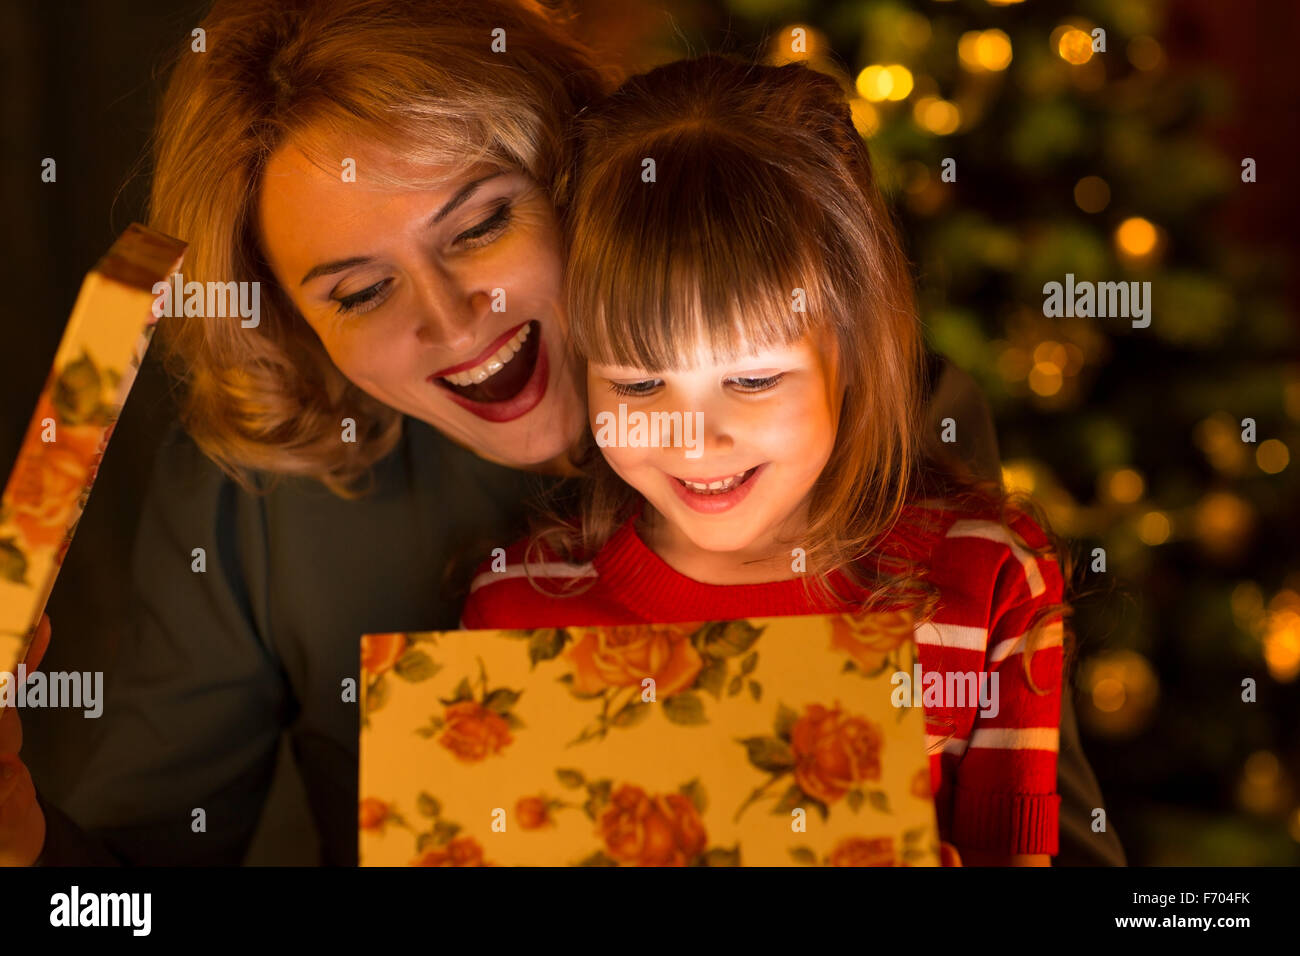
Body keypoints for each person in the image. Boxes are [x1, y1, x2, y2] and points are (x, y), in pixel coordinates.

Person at [0, 0, 1122, 866]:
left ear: (585, 170)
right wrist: (25, 842)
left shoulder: (862, 414)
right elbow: (131, 888)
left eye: (481, 224)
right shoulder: (254, 500)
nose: (450, 322)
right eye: (356, 291)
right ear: (296, 326)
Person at [462, 54, 1071, 865]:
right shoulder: (516, 608)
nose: (692, 439)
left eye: (751, 378)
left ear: (851, 347)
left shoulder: (985, 587)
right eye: (640, 382)